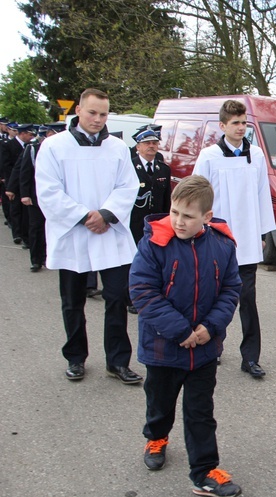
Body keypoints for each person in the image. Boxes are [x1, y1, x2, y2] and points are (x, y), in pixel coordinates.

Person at [129, 176, 242, 497]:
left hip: (204, 350)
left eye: (188, 216)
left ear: (207, 217)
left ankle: (204, 472)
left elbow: (231, 289)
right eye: (175, 212)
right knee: (160, 402)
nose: (178, 221)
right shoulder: (154, 244)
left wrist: (210, 327)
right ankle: (157, 436)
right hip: (164, 347)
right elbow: (143, 292)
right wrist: (182, 331)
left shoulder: (222, 245)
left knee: (200, 412)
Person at [35, 88, 143, 384]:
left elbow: (128, 186)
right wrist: (85, 216)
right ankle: (75, 357)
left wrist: (105, 214)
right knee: (72, 300)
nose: (98, 119)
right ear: (79, 110)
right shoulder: (55, 146)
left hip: (109, 232)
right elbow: (48, 191)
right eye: (92, 112)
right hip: (74, 233)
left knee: (117, 298)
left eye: (103, 114)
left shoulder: (118, 148)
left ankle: (118, 361)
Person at [193, 99, 275, 379]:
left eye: (244, 123)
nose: (241, 128)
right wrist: (199, 231)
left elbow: (264, 195)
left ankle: (250, 357)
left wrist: (263, 234)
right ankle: (213, 346)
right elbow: (197, 196)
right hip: (217, 238)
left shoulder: (258, 156)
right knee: (214, 297)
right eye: (235, 124)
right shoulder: (208, 157)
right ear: (223, 126)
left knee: (247, 299)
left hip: (248, 241)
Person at [127, 128, 172, 314]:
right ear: (138, 146)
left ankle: (153, 295)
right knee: (134, 261)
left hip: (156, 223)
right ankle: (132, 298)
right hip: (135, 222)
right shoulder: (130, 167)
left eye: (154, 143)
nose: (152, 146)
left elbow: (167, 199)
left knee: (154, 261)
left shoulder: (163, 168)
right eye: (147, 143)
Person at [18, 122, 66, 272]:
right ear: (49, 134)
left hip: (57, 198)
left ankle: (49, 256)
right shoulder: (33, 149)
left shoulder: (64, 150)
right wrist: (25, 194)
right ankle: (36, 260)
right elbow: (25, 173)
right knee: (36, 228)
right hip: (35, 197)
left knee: (53, 228)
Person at [3, 123, 36, 246]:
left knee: (26, 213)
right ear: (22, 134)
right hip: (13, 181)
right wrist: (9, 184)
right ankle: (17, 234)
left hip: (26, 183)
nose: (31, 137)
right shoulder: (8, 145)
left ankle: (26, 236)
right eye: (29, 134)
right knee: (16, 209)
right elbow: (8, 166)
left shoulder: (30, 146)